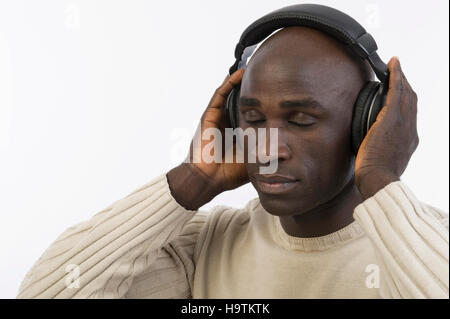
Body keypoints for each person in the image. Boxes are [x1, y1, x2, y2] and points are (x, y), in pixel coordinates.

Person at [17, 25, 448, 299]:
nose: (266, 146)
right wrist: (192, 180)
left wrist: (380, 180)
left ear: (368, 124)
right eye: (254, 119)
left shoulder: (424, 245)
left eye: (301, 119)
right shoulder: (206, 246)